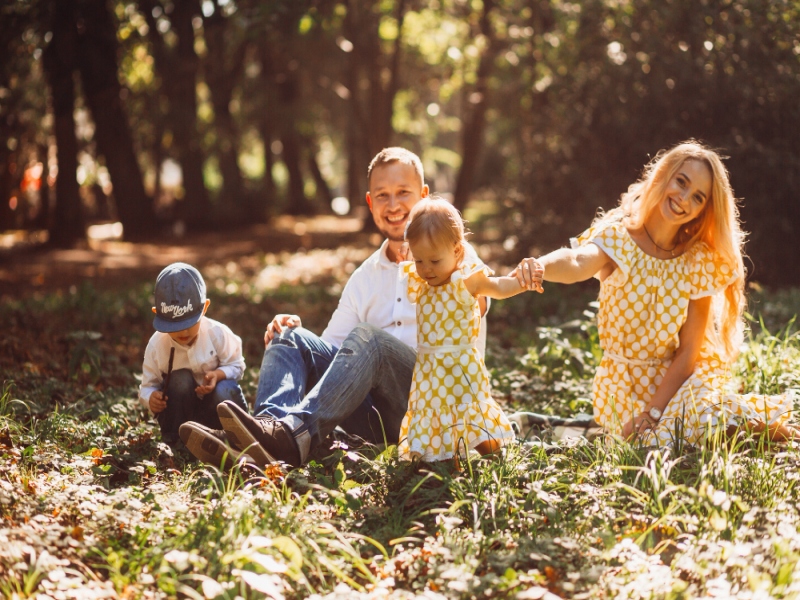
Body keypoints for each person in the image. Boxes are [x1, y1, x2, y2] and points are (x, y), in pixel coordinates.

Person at [182, 148, 527, 468]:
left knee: (370, 339)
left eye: (403, 192)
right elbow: (335, 356)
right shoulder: (365, 276)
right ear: (370, 203)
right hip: (371, 419)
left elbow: (482, 294)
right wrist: (296, 337)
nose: (394, 205)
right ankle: (265, 436)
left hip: (433, 409)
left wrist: (509, 276)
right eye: (383, 195)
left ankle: (289, 438)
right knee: (289, 335)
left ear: (424, 196)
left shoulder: (457, 258)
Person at [514, 140, 795, 446]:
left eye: (697, 197)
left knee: (704, 419)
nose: (684, 198)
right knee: (656, 440)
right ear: (664, 175)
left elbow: (688, 353)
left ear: (703, 210)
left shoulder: (696, 261)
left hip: (676, 385)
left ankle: (769, 430)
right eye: (682, 182)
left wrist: (654, 412)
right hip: (621, 390)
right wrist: (539, 265)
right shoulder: (618, 237)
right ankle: (742, 426)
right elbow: (576, 261)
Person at [398, 198, 541, 462]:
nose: (426, 269)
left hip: (460, 366)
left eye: (434, 260)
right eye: (419, 260)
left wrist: (523, 282)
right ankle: (446, 463)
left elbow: (499, 287)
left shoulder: (464, 281)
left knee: (471, 415)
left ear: (457, 251)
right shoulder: (420, 283)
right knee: (438, 418)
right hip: (430, 371)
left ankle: (497, 456)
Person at [139, 262, 248, 457]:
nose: (183, 332)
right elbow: (147, 386)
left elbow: (237, 365)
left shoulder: (217, 334)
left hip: (213, 409)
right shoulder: (157, 346)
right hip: (179, 415)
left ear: (204, 308)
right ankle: (177, 442)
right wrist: (151, 398)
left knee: (225, 389)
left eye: (189, 323)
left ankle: (236, 437)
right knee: (179, 379)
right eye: (174, 326)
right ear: (158, 314)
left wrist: (218, 374)